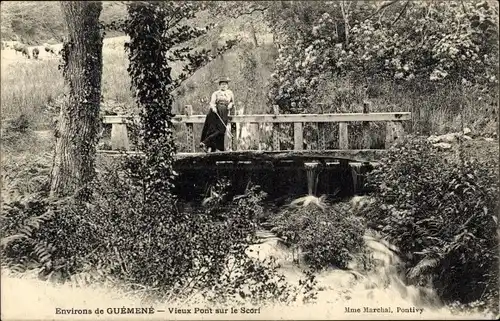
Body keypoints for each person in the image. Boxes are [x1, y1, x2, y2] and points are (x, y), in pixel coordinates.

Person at [200, 77, 234, 152]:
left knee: (221, 130)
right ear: (219, 85)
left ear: (227, 85)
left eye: (225, 84)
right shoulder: (215, 93)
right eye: (222, 84)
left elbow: (232, 102)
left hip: (224, 111)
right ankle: (208, 146)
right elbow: (212, 103)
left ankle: (206, 142)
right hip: (215, 112)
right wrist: (213, 108)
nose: (224, 86)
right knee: (213, 129)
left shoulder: (230, 93)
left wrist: (230, 105)